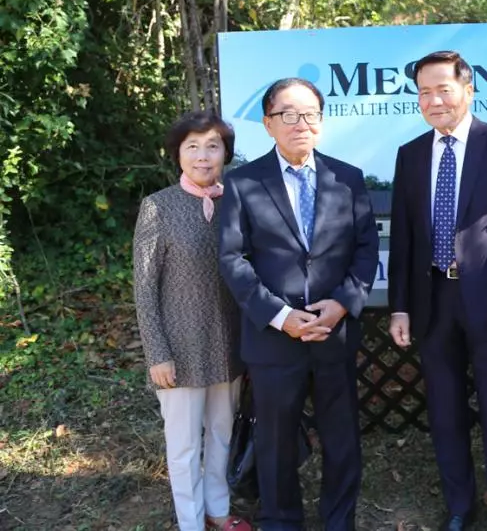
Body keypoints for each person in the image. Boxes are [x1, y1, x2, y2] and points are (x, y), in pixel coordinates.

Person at [218, 78, 379, 531]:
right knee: (274, 440)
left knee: (342, 437)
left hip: (334, 334)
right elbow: (233, 259)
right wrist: (281, 316)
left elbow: (366, 249)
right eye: (288, 114)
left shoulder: (346, 178)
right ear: (268, 124)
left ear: (322, 123)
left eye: (309, 114)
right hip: (274, 340)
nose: (300, 123)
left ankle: (338, 520)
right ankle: (280, 520)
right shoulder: (244, 183)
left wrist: (345, 303)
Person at [388, 51, 487, 531]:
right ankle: (459, 506)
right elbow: (405, 239)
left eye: (442, 89)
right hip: (432, 303)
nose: (433, 101)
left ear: (467, 90)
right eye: (424, 92)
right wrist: (400, 307)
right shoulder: (410, 154)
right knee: (445, 414)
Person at [133, 111, 251, 531]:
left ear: (226, 154)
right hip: (178, 351)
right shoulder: (158, 207)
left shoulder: (238, 202)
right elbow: (144, 288)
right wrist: (157, 353)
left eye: (213, 146)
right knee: (183, 446)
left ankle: (218, 510)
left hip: (230, 345)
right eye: (193, 147)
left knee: (221, 435)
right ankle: (191, 522)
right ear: (178, 153)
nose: (203, 156)